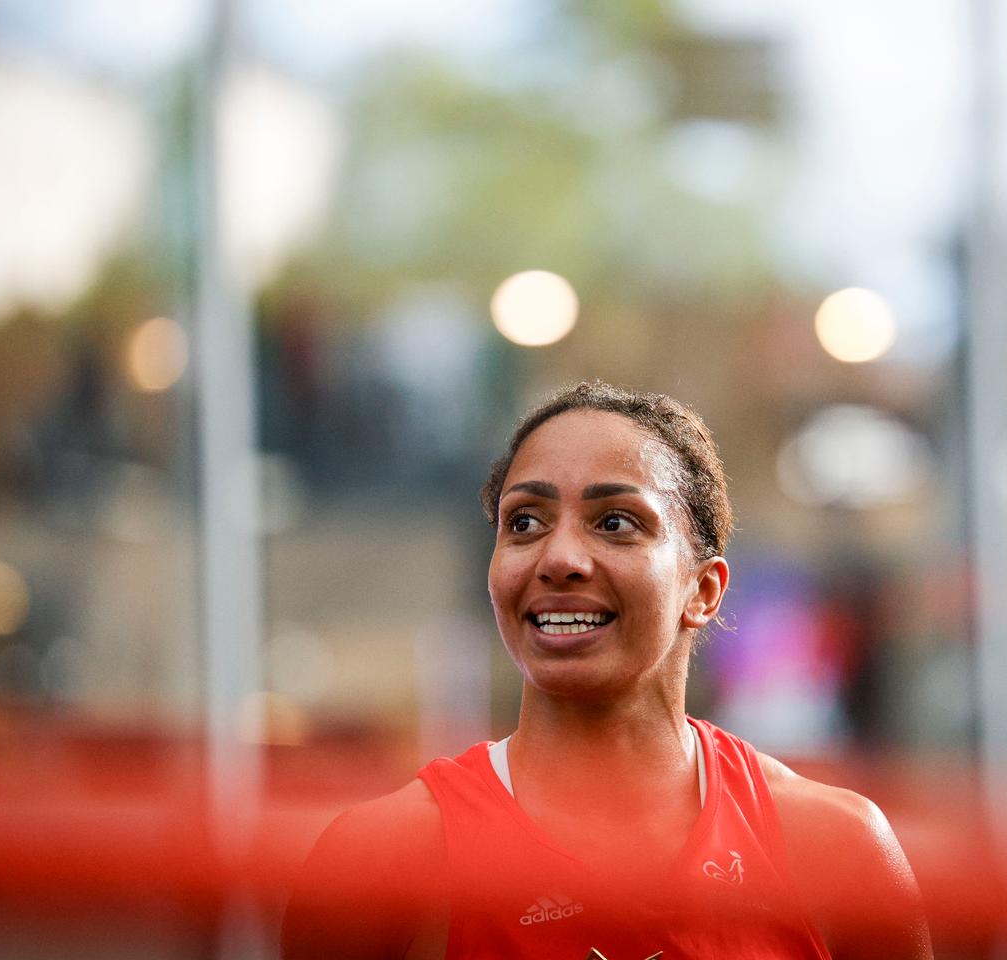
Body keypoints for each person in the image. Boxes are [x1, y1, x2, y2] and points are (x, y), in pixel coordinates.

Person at [282, 381, 932, 959]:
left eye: (615, 522)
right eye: (525, 522)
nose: (559, 557)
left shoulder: (836, 848)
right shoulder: (381, 858)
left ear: (703, 591)